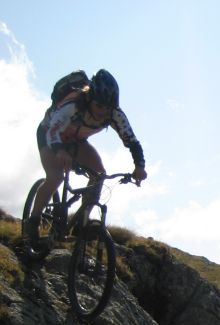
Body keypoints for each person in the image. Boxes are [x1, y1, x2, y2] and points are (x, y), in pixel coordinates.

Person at [24, 69, 147, 242]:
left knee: (99, 174)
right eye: (99, 105)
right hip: (49, 134)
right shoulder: (73, 105)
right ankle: (33, 222)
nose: (102, 111)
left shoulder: (115, 114)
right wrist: (60, 151)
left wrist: (139, 166)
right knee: (56, 177)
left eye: (107, 108)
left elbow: (132, 140)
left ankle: (81, 223)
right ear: (89, 98)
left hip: (77, 140)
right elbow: (53, 130)